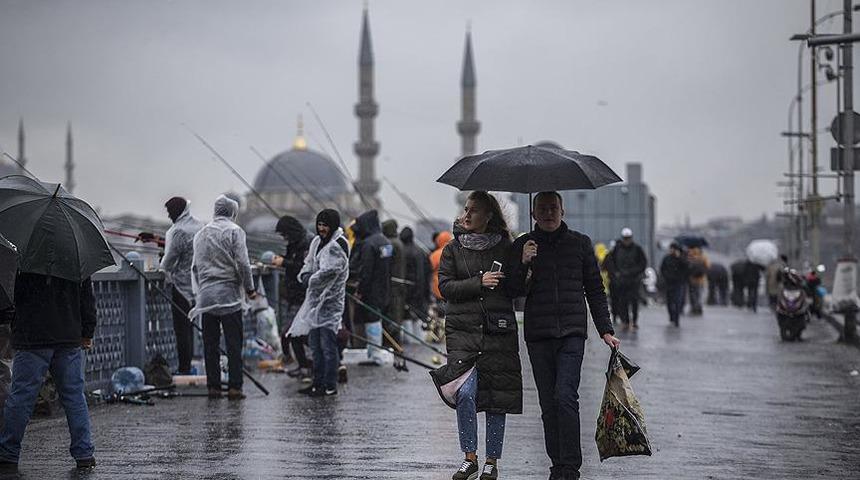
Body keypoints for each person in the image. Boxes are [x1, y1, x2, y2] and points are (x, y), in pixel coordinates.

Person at [507, 191, 620, 480]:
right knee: (548, 402)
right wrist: (522, 262)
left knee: (565, 396)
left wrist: (605, 329)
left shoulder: (580, 244)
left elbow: (595, 289)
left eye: (553, 208)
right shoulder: (524, 245)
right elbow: (512, 290)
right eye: (542, 209)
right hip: (538, 334)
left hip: (572, 332)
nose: (548, 213)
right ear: (533, 214)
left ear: (562, 210)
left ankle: (570, 466)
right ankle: (556, 463)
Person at [430, 191, 521, 480]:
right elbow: (445, 287)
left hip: (498, 330)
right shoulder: (452, 250)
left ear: (489, 216)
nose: (466, 215)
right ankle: (469, 456)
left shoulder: (507, 248)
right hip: (462, 331)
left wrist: (527, 263)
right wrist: (478, 282)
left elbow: (518, 288)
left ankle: (492, 460)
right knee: (465, 392)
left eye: (474, 211)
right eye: (465, 209)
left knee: (496, 397)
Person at [0, 272, 97, 471]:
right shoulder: (75, 251)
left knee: (21, 398)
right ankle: (84, 454)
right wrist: (87, 331)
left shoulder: (24, 253)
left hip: (31, 336)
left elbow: (10, 296)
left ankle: (8, 455)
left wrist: (13, 321)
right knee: (74, 397)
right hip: (68, 335)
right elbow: (86, 297)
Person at [189, 195, 256, 400]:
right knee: (233, 343)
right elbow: (243, 264)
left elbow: (195, 267)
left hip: (207, 297)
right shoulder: (235, 232)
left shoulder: (201, 234)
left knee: (210, 344)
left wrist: (202, 290)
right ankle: (235, 387)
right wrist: (250, 288)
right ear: (232, 212)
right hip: (229, 297)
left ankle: (214, 387)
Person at [289, 209, 350, 397]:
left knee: (328, 346)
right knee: (315, 345)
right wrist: (305, 275)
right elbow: (308, 263)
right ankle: (318, 383)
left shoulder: (338, 244)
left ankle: (330, 385)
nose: (322, 229)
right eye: (319, 225)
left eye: (325, 225)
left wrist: (310, 279)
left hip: (330, 304)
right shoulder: (316, 241)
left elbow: (329, 272)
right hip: (315, 302)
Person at [159, 196, 203, 375]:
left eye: (170, 212)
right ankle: (191, 365)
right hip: (199, 286)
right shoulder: (199, 227)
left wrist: (161, 266)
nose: (169, 216)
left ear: (177, 211)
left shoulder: (178, 231)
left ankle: (184, 368)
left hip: (181, 288)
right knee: (192, 328)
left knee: (182, 331)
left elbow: (168, 262)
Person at [348, 210, 392, 365]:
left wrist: (360, 291)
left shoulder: (368, 244)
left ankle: (375, 356)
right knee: (377, 319)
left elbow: (366, 272)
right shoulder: (385, 241)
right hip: (384, 288)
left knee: (371, 320)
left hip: (371, 290)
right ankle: (375, 353)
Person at [272, 215, 313, 383]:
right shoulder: (296, 242)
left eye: (285, 235)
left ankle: (313, 364)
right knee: (293, 333)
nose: (284, 238)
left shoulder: (306, 243)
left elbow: (303, 268)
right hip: (293, 295)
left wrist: (283, 263)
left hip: (302, 296)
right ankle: (304, 366)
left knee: (295, 332)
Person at [606, 228, 647, 330]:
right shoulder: (617, 249)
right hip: (621, 280)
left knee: (634, 301)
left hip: (634, 280)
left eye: (628, 238)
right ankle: (625, 320)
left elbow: (643, 263)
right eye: (625, 238)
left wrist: (635, 273)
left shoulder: (637, 249)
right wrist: (615, 274)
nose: (626, 240)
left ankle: (634, 320)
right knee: (622, 301)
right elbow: (610, 262)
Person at [399, 226, 432, 344]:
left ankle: (411, 341)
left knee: (407, 316)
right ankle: (418, 342)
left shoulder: (403, 251)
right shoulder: (421, 251)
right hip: (421, 289)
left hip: (408, 289)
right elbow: (426, 273)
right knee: (418, 316)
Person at [382, 219, 406, 345]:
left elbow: (384, 262)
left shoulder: (390, 244)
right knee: (397, 314)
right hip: (399, 283)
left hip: (392, 284)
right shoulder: (399, 243)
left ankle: (393, 343)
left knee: (392, 314)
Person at [660, 242, 689, 326]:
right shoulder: (666, 258)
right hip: (669, 282)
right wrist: (665, 276)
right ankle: (671, 317)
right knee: (669, 301)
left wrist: (679, 257)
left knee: (677, 301)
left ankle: (676, 319)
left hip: (678, 283)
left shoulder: (681, 259)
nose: (671, 250)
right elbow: (662, 268)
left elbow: (687, 267)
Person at [686, 246, 710, 315]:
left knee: (692, 295)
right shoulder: (703, 257)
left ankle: (693, 308)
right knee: (699, 294)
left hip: (691, 279)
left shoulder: (690, 255)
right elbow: (708, 266)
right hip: (701, 280)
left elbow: (687, 266)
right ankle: (699, 308)